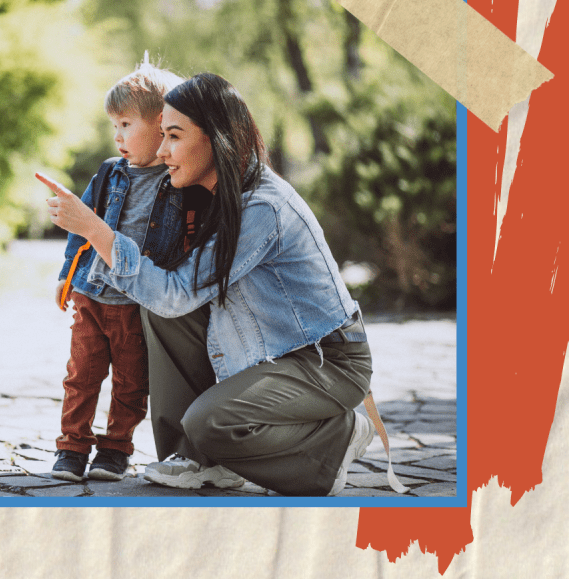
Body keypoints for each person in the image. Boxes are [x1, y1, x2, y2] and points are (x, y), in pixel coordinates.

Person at [38, 72, 375, 497]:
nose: (161, 151)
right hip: (270, 353)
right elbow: (170, 292)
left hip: (323, 360)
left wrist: (95, 230)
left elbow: (177, 293)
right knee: (157, 311)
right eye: (159, 135)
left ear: (217, 139)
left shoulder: (261, 208)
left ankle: (335, 440)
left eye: (174, 137)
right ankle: (195, 460)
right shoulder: (212, 195)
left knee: (210, 421)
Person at [49, 58, 185, 483]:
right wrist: (66, 274)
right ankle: (71, 447)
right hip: (92, 294)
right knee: (81, 374)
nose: (118, 136)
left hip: (135, 304)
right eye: (115, 126)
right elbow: (80, 225)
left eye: (126, 124)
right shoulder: (110, 173)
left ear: (161, 124)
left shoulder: (176, 179)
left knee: (131, 382)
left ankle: (114, 449)